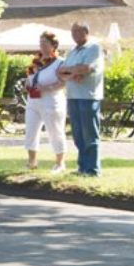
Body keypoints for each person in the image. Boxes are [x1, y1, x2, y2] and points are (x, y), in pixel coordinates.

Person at [59, 22, 105, 176]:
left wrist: (74, 71)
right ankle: (82, 167)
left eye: (77, 32)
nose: (74, 35)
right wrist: (74, 72)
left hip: (88, 96)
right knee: (78, 134)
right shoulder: (72, 51)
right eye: (72, 32)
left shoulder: (93, 48)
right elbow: (60, 71)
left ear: (86, 32)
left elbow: (87, 68)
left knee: (89, 134)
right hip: (72, 96)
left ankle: (92, 169)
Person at [24, 31, 67, 173]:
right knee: (31, 130)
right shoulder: (36, 62)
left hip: (51, 101)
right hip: (33, 100)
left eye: (45, 43)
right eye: (40, 43)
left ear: (53, 45)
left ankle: (60, 163)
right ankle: (32, 161)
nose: (42, 46)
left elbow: (63, 82)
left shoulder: (60, 63)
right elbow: (31, 77)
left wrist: (47, 88)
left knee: (55, 131)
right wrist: (28, 83)